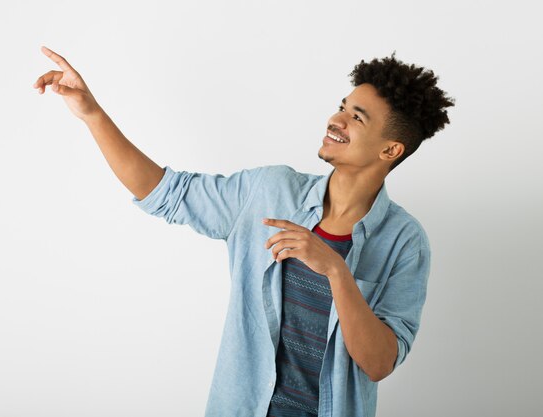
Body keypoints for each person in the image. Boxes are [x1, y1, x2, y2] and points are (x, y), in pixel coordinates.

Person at [33, 46, 455, 417]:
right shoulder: (268, 191)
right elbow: (163, 191)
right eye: (342, 105)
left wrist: (337, 272)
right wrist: (91, 113)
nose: (336, 118)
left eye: (356, 117)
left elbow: (379, 362)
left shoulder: (405, 241)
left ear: (390, 149)